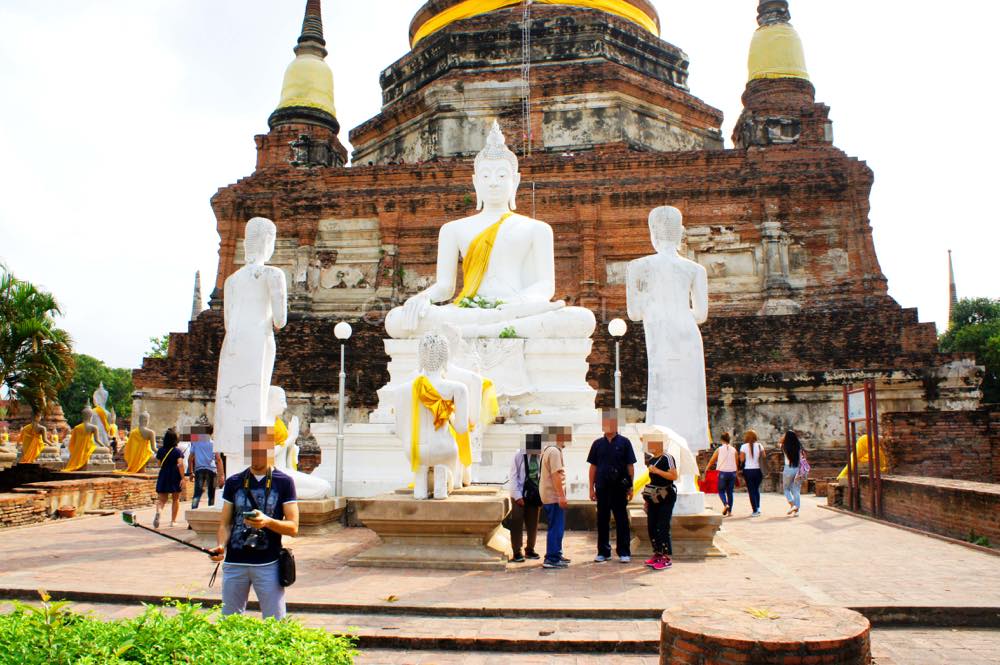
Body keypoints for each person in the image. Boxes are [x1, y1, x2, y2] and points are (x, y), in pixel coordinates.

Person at [210, 425, 299, 619]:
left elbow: (293, 527)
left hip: (268, 563)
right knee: (229, 622)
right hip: (235, 562)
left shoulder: (284, 482)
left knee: (275, 622)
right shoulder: (234, 482)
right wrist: (220, 545)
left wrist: (267, 522)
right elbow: (225, 524)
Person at [587, 409, 636, 563]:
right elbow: (593, 467)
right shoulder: (597, 444)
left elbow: (630, 466)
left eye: (611, 422)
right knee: (602, 519)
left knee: (621, 519)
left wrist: (631, 486)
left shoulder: (625, 442)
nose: (607, 425)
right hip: (602, 487)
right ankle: (603, 551)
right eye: (605, 423)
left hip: (619, 487)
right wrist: (591, 488)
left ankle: (624, 551)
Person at [641, 433, 678, 571]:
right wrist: (647, 500)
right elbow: (652, 480)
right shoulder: (651, 460)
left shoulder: (667, 458)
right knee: (652, 525)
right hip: (654, 497)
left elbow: (674, 476)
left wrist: (657, 471)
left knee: (663, 525)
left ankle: (666, 557)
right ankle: (657, 553)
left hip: (666, 495)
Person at [507, 432, 543, 563]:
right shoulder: (518, 455)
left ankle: (530, 549)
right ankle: (517, 551)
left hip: (534, 494)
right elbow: (513, 476)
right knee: (517, 522)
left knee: (533, 524)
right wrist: (517, 496)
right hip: (520, 493)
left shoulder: (541, 455)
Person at [540, 426, 571, 569]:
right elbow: (556, 475)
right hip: (553, 496)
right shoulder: (554, 452)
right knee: (556, 528)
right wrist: (561, 496)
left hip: (549, 495)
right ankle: (552, 558)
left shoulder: (549, 450)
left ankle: (556, 554)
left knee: (557, 526)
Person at [153, 429, 185, 528]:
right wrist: (183, 478)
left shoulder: (161, 450)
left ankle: (159, 511)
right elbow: (180, 464)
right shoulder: (177, 451)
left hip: (163, 474)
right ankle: (173, 521)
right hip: (175, 475)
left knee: (162, 499)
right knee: (175, 499)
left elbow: (159, 464)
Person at [188, 425, 223, 510]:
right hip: (212, 470)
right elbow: (218, 459)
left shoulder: (196, 443)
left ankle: (193, 513)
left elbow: (190, 458)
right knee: (211, 495)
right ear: (212, 432)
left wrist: (191, 472)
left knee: (197, 494)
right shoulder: (214, 444)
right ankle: (211, 513)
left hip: (199, 470)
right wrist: (221, 474)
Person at [704, 432, 738, 516]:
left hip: (722, 473)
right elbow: (736, 463)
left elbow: (712, 461)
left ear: (721, 440)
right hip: (732, 473)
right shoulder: (734, 450)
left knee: (721, 491)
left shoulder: (719, 449)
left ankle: (725, 504)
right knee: (730, 492)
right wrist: (736, 473)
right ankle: (730, 512)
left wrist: (706, 469)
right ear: (729, 440)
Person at [739, 430, 765, 517]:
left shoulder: (743, 447)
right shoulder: (760, 445)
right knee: (756, 489)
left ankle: (755, 510)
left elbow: (742, 460)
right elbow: (764, 457)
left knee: (751, 490)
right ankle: (758, 507)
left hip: (748, 471)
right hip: (758, 470)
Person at [781, 430, 803, 517]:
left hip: (788, 469)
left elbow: (780, 441)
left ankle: (793, 505)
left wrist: (784, 437)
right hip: (797, 469)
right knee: (796, 489)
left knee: (786, 488)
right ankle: (797, 510)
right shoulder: (798, 446)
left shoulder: (784, 446)